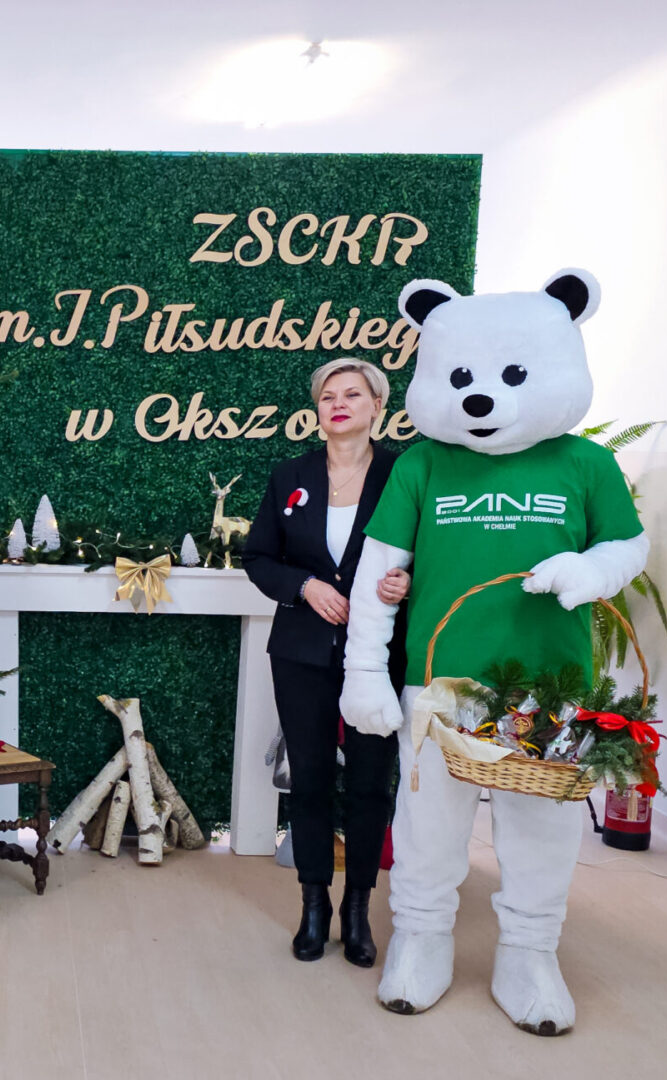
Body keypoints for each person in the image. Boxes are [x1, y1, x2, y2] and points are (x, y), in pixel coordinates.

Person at [243, 357, 411, 967]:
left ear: (376, 406)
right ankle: (313, 906)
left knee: (369, 783)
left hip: (379, 654)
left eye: (352, 394)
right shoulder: (290, 475)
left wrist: (409, 583)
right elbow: (258, 557)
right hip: (301, 653)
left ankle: (357, 910)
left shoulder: (404, 473)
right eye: (327, 396)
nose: (338, 404)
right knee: (310, 779)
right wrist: (304, 586)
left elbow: (430, 552)